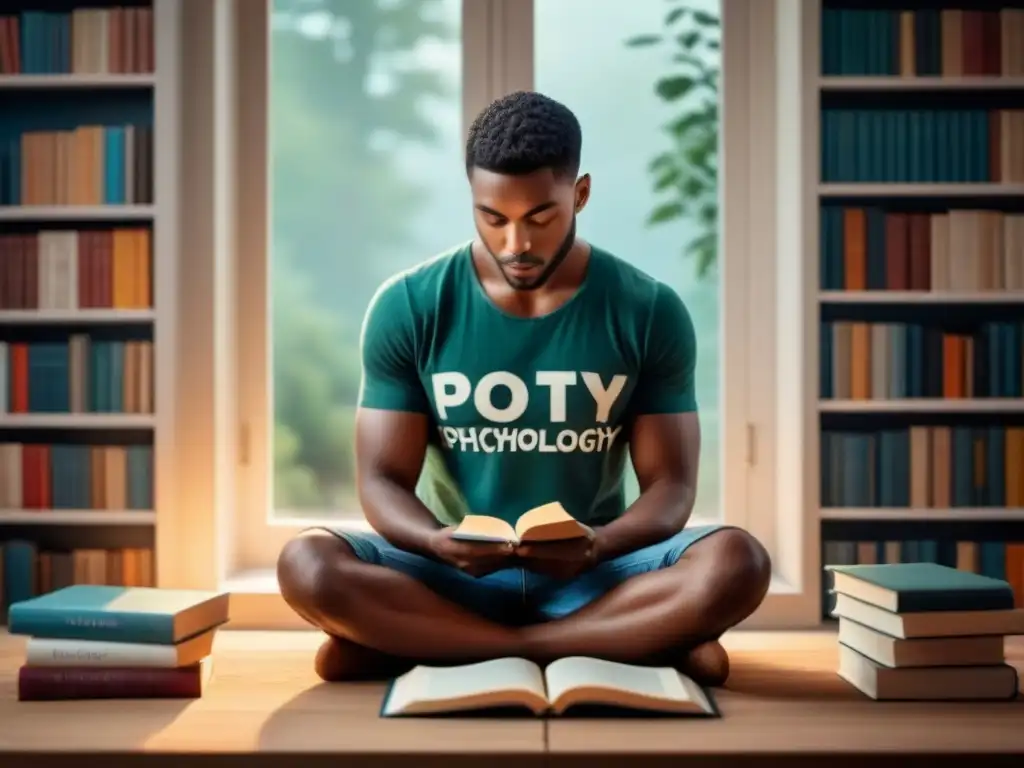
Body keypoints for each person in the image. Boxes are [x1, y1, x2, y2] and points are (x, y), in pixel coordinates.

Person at [276, 91, 771, 687]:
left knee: (736, 561)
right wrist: (437, 541)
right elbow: (381, 481)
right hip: (454, 577)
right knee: (307, 564)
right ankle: (623, 643)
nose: (516, 245)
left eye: (540, 218)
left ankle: (441, 646)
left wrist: (598, 544)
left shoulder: (649, 310)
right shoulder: (407, 306)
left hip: (595, 572)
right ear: (473, 199)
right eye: (493, 218)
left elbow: (671, 486)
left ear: (580, 194)